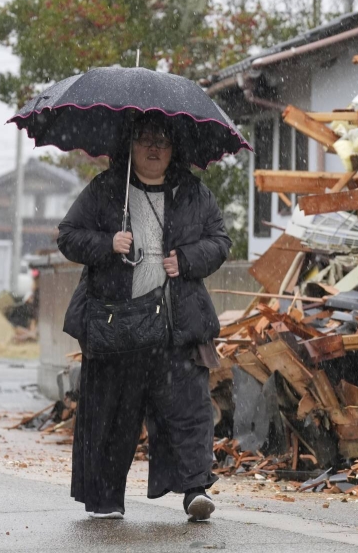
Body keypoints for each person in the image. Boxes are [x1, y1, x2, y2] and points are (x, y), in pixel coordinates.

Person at [57, 112, 231, 522]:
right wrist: (106, 242)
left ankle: (195, 491)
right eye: (145, 139)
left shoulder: (193, 193)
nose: (154, 148)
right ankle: (104, 499)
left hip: (176, 323)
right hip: (117, 323)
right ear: (130, 145)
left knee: (188, 411)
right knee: (111, 414)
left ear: (174, 149)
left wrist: (186, 259)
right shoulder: (106, 189)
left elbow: (221, 241)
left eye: (163, 141)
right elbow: (67, 235)